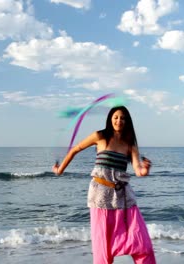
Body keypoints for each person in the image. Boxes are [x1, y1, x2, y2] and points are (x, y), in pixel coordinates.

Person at [53, 106, 156, 264]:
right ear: (110, 119)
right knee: (102, 246)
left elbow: (138, 171)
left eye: (122, 118)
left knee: (141, 242)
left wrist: (145, 169)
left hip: (123, 196)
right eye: (116, 117)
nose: (119, 121)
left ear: (127, 121)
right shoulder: (99, 136)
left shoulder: (130, 145)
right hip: (100, 195)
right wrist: (60, 170)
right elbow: (75, 150)